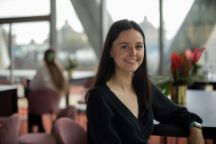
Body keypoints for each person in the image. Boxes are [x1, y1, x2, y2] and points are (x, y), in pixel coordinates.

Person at [85, 19, 204, 144]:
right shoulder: (98, 98)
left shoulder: (143, 87)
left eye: (138, 46)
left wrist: (195, 127)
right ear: (110, 51)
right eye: (124, 46)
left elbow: (175, 113)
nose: (133, 53)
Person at [30, 48, 68, 134]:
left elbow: (33, 86)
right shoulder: (60, 69)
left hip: (42, 104)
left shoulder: (42, 69)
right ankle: (46, 124)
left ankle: (38, 125)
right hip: (56, 103)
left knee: (31, 95)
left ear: (44, 57)